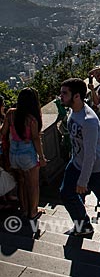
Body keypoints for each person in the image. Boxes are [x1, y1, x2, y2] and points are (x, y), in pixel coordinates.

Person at [59, 78, 100, 236]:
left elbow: (90, 155)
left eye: (64, 93)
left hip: (95, 167)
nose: (61, 96)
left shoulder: (88, 120)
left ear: (76, 96)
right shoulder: (73, 112)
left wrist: (83, 181)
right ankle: (83, 225)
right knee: (66, 193)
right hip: (76, 162)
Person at [0, 87, 47, 220]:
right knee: (33, 185)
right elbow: (36, 139)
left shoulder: (10, 113)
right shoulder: (32, 119)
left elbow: (3, 132)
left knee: (21, 182)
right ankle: (33, 211)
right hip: (27, 154)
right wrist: (42, 157)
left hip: (13, 154)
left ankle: (25, 210)